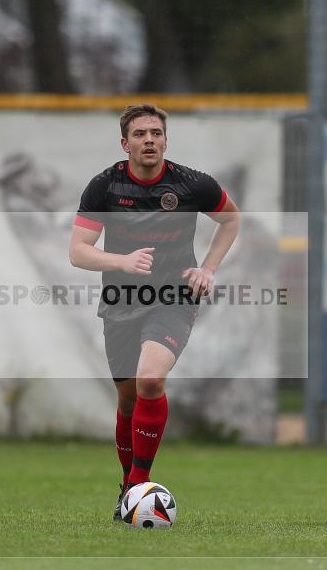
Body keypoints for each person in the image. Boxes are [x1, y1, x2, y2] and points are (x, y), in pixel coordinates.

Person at [68, 103, 240, 521]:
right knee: (128, 398)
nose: (149, 140)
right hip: (121, 302)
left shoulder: (192, 184)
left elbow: (231, 219)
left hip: (175, 297)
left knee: (149, 379)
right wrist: (122, 262)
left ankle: (137, 486)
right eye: (141, 134)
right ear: (125, 143)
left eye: (156, 133)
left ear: (165, 140)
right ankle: (128, 482)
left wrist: (208, 268)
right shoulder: (104, 187)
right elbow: (78, 252)